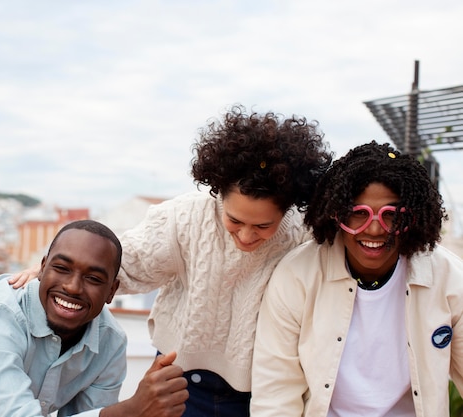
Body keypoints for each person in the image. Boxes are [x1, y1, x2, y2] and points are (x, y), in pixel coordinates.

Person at [113, 105, 333, 416]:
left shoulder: (304, 235)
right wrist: (47, 272)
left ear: (288, 209)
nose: (245, 236)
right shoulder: (185, 218)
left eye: (262, 226)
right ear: (218, 190)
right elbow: (124, 264)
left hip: (261, 395)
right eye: (234, 219)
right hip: (175, 383)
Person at [249, 141, 463, 416]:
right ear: (335, 213)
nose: (374, 229)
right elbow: (275, 396)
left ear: (415, 218)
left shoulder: (450, 279)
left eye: (392, 216)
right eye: (358, 213)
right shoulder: (296, 276)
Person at [0, 219, 188, 417]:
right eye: (62, 268)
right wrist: (131, 410)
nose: (72, 287)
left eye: (93, 278)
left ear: (112, 291)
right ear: (42, 267)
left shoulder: (110, 343)